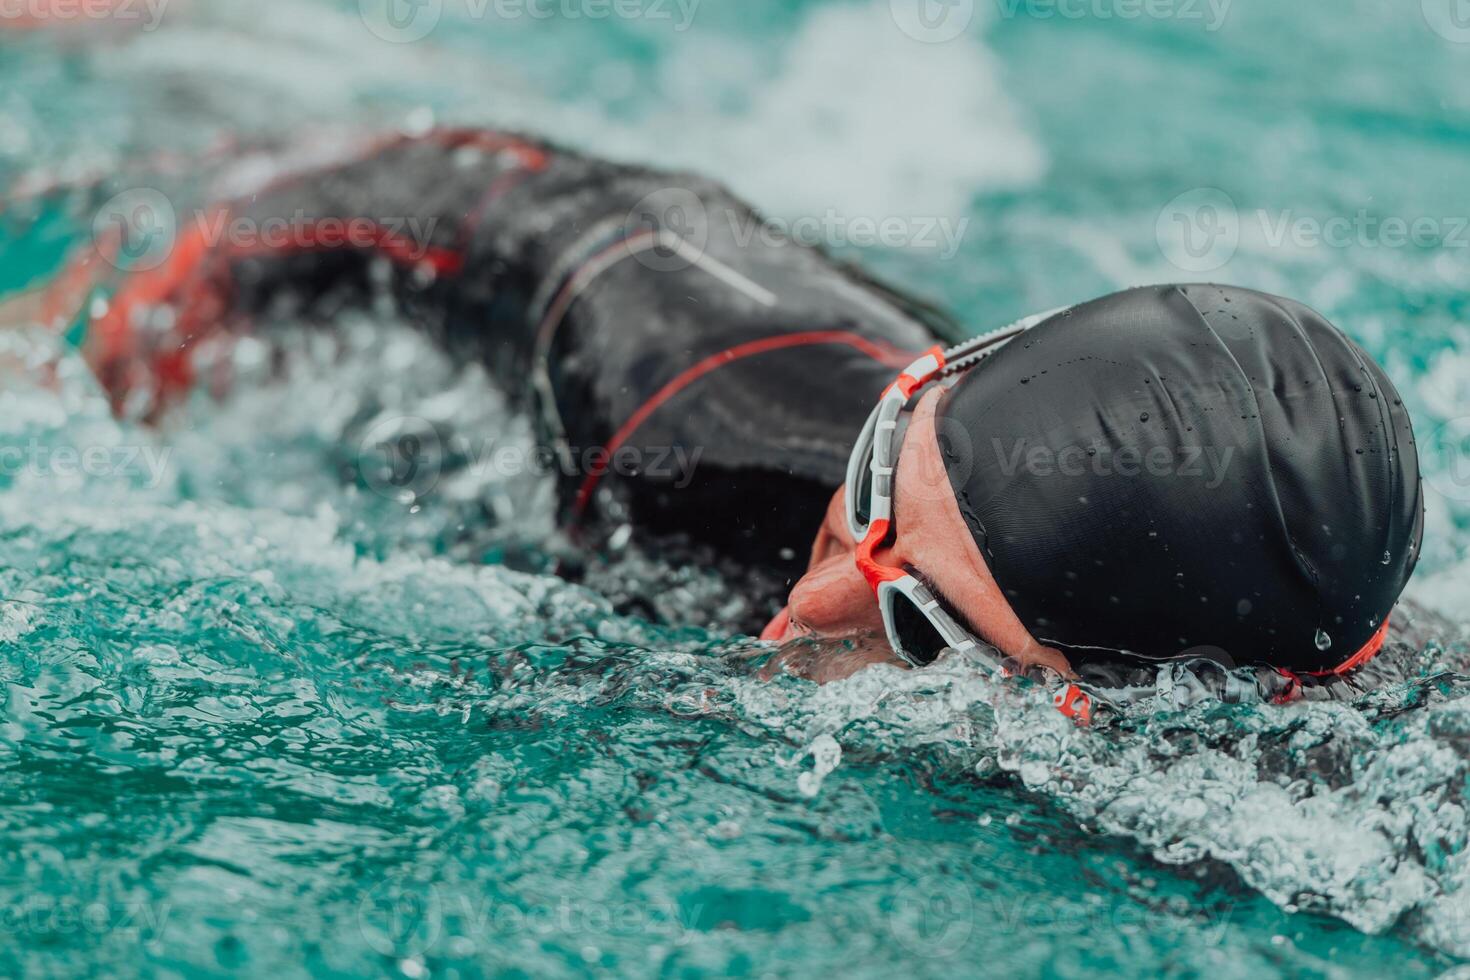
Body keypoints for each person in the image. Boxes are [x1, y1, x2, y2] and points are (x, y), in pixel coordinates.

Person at [23, 127, 1425, 707]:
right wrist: (77, 366)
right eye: (871, 494)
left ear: (1099, 697)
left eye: (919, 628)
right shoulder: (663, 398)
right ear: (920, 393)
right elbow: (416, 190)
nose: (815, 599)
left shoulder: (1274, 677)